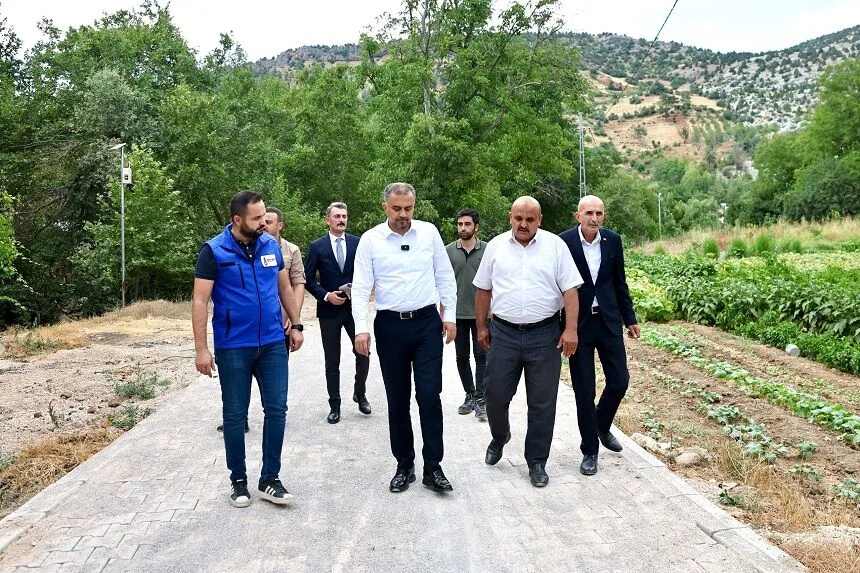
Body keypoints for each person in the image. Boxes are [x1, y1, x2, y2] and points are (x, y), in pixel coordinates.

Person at [193, 190, 304, 508]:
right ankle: (238, 481)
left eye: (265, 217)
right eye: (257, 219)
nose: (264, 223)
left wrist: (296, 325)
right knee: (235, 414)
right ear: (237, 220)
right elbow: (200, 301)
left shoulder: (272, 246)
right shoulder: (213, 251)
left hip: (272, 343)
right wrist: (202, 349)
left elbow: (284, 287)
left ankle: (270, 479)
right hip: (233, 347)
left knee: (277, 411)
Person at [352, 182, 458, 494]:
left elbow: (444, 275)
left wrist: (449, 315)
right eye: (397, 208)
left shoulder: (429, 233)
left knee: (428, 395)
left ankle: (433, 467)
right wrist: (362, 328)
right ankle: (404, 465)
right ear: (385, 207)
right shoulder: (371, 240)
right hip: (390, 326)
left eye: (408, 208)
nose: (403, 214)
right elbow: (360, 287)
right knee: (397, 398)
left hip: (426, 324)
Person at [474, 196, 582, 488]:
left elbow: (571, 291)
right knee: (494, 393)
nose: (523, 224)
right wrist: (482, 326)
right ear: (510, 217)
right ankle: (500, 436)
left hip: (544, 335)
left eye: (529, 219)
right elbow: (483, 289)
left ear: (540, 220)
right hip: (504, 334)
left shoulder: (555, 247)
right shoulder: (496, 246)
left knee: (542, 402)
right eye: (518, 218)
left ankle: (536, 461)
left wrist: (570, 330)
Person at [559, 195, 640, 477]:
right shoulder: (564, 242)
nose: (595, 218)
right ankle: (589, 451)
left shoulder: (613, 241)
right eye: (590, 213)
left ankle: (601, 424)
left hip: (608, 321)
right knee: (584, 390)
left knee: (619, 381)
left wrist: (630, 319)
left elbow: (620, 281)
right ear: (577, 215)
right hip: (577, 325)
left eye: (600, 213)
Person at [215, 205, 306, 433]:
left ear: (280, 225)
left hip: (275, 327)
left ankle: (273, 417)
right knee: (237, 393)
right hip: (238, 336)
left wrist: (293, 321)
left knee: (274, 395)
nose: (264, 224)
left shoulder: (287, 250)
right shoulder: (226, 247)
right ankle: (240, 418)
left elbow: (294, 286)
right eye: (260, 219)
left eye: (269, 220)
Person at [304, 202, 371, 424]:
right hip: (329, 310)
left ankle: (359, 393)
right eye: (337, 216)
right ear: (328, 220)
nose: (341, 219)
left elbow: (366, 272)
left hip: (355, 309)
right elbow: (308, 279)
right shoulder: (316, 246)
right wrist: (326, 295)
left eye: (344, 216)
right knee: (332, 360)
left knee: (364, 353)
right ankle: (335, 404)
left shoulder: (358, 243)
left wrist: (358, 289)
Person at [445, 208, 488, 421]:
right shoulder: (448, 252)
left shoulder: (488, 250)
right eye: (460, 224)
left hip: (482, 316)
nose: (463, 228)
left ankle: (481, 400)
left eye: (467, 224)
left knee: (482, 357)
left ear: (476, 226)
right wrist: (445, 316)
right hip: (458, 315)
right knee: (462, 357)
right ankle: (469, 394)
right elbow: (442, 286)